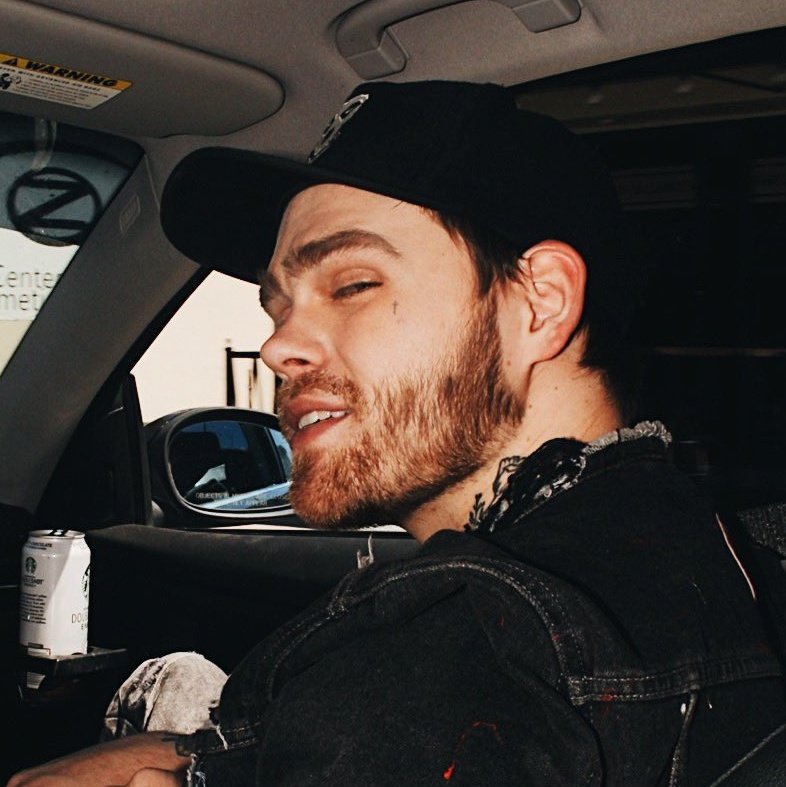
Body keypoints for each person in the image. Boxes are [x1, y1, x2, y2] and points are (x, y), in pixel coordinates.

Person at [9, 80, 786, 786]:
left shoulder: (446, 663)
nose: (278, 345)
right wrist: (200, 757)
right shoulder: (726, 558)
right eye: (277, 305)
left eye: (352, 284)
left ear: (539, 304)